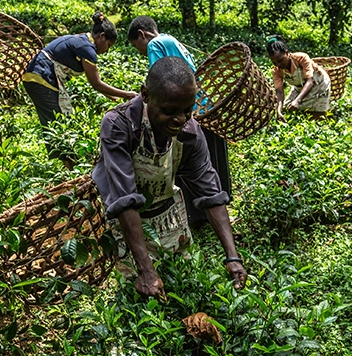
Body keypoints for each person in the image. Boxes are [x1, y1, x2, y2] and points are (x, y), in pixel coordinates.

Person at [92, 57, 247, 299]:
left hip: (170, 217)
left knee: (183, 288)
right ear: (146, 95)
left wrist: (232, 256)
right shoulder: (120, 125)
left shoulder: (191, 132)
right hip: (129, 223)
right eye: (169, 111)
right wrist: (145, 270)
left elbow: (210, 193)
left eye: (187, 110)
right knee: (140, 300)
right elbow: (125, 199)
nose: (180, 120)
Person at [127, 15, 232, 231]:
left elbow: (162, 81)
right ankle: (219, 208)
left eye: (137, 47)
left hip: (186, 111)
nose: (140, 51)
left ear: (141, 35)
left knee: (186, 158)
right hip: (201, 105)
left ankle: (196, 216)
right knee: (209, 160)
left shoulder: (155, 44)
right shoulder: (171, 40)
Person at [22, 12, 137, 169]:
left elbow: (94, 83)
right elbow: (96, 83)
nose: (107, 50)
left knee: (57, 122)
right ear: (102, 36)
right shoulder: (87, 48)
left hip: (35, 78)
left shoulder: (82, 40)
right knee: (62, 122)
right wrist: (127, 94)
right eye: (109, 46)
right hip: (43, 77)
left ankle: (68, 166)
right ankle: (71, 170)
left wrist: (111, 96)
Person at [266, 36, 332, 121]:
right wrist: (279, 110)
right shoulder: (277, 71)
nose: (278, 64)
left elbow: (309, 81)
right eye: (274, 62)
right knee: (287, 108)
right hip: (300, 87)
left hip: (318, 84)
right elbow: (279, 92)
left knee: (317, 114)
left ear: (287, 53)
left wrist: (297, 100)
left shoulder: (301, 58)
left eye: (280, 60)